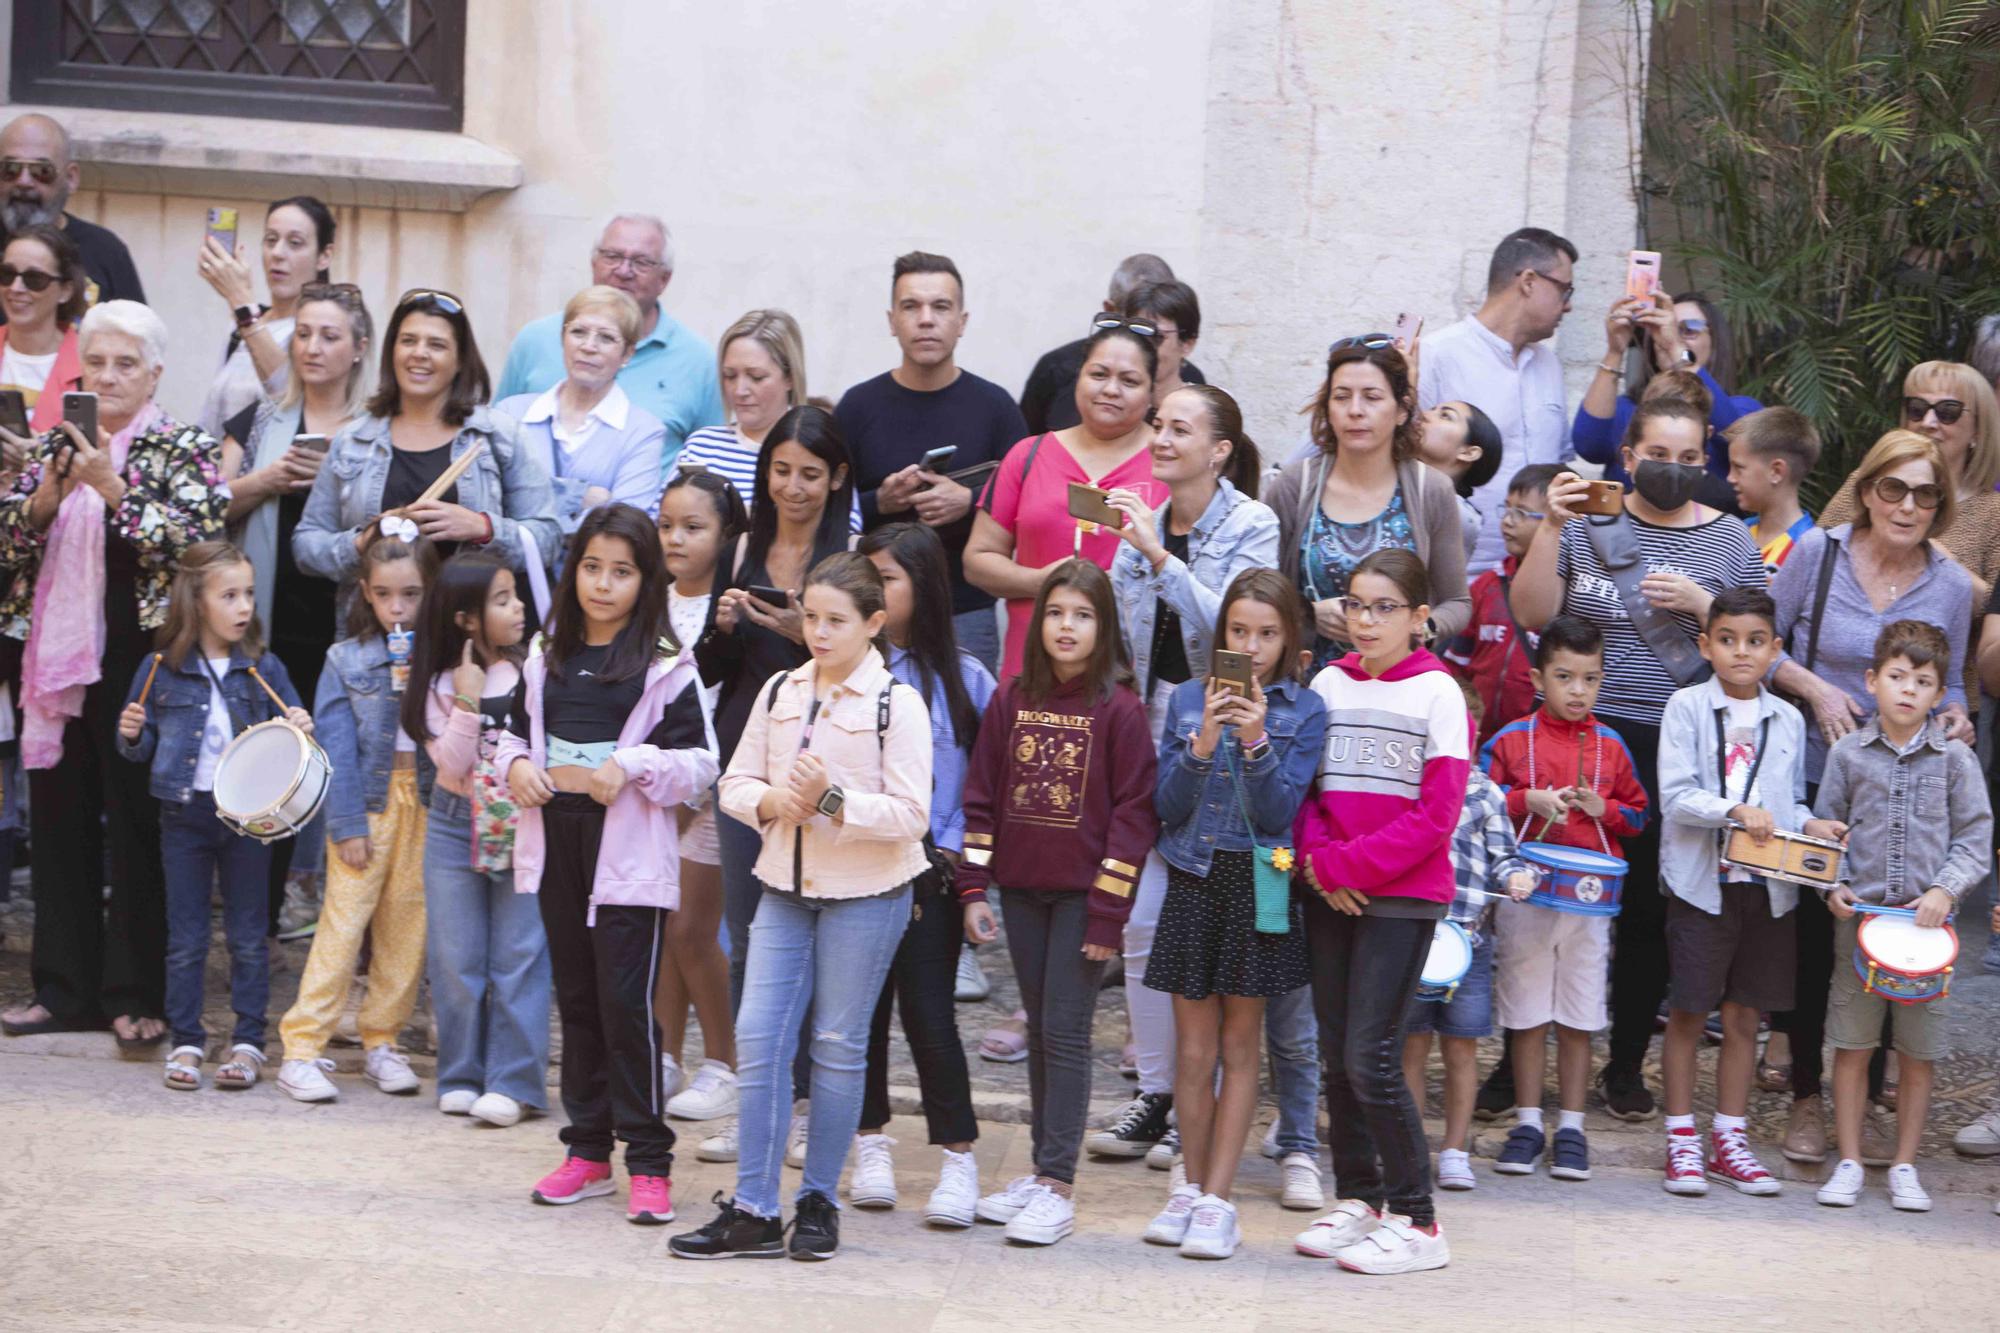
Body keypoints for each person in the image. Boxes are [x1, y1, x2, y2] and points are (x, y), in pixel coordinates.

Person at [1511, 397, 1767, 1121]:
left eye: (1691, 460)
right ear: (1628, 457)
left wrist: (1701, 602)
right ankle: (1520, 1062)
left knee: (1652, 911)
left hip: (1674, 743)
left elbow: (1750, 646)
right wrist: (1552, 525)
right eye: (1659, 454)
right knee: (1548, 896)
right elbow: (1532, 614)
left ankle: (1623, 1064)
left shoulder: (1730, 541)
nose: (1674, 470)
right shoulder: (1588, 522)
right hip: (1579, 735)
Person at [671, 553, 932, 1262]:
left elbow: (913, 814)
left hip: (868, 893)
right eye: (811, 616)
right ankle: (754, 1206)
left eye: (835, 620)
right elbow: (734, 780)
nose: (818, 632)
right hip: (784, 887)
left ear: (873, 623)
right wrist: (769, 801)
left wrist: (833, 802)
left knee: (839, 1048)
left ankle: (818, 1198)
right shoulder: (782, 687)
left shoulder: (897, 703)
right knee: (759, 1039)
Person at [0, 300, 227, 1044]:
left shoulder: (180, 444)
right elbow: (9, 547)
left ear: (155, 372)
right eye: (95, 362)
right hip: (54, 664)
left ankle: (134, 993)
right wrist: (45, 497)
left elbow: (199, 543)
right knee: (58, 820)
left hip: (145, 661)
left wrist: (113, 487)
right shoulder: (52, 444)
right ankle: (62, 990)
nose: (108, 375)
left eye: (125, 363)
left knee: (137, 825)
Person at [500, 504, 716, 1225]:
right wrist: (520, 765)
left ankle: (648, 1162)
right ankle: (588, 1153)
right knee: (579, 998)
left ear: (644, 580)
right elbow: (506, 737)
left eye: (621, 571)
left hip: (625, 856)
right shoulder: (545, 651)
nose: (602, 583)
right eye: (591, 566)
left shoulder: (664, 663)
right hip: (556, 840)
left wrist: (632, 764)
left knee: (628, 1006)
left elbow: (700, 763)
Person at [1768, 430, 1974, 1162]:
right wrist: (1818, 686)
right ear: (1868, 488)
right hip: (1814, 772)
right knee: (1809, 944)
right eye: (1894, 487)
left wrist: (1957, 715)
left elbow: (1949, 681)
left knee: (1893, 932)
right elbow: (1764, 640)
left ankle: (1878, 1091)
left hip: (1905, 793)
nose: (1907, 504)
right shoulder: (1818, 552)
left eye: (1925, 493)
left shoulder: (1949, 583)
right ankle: (1803, 1099)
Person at [1093, 385, 1275, 1161]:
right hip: (1151, 730)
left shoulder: (1252, 523)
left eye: (1178, 427)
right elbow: (1120, 629)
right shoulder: (1139, 513)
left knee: (1223, 926)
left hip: (1227, 733)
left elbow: (1232, 630)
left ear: (1221, 449)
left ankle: (1213, 1108)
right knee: (1137, 921)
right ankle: (1157, 1094)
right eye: (1157, 425)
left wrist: (1158, 557)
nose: (1159, 437)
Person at [958, 560, 1159, 1247]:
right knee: (1041, 1026)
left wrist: (1108, 913)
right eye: (1054, 613)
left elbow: (1134, 818)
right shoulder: (1011, 698)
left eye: (1081, 615)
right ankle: (1042, 1169)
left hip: (1082, 899)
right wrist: (973, 885)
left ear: (1104, 628)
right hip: (1020, 891)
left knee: (1066, 1033)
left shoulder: (1122, 710)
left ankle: (1058, 1183)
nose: (1065, 627)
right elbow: (981, 795)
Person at [1289, 549, 1466, 1275]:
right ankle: (1361, 1198)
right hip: (1331, 887)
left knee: (1373, 1053)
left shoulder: (1439, 693)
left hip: (1402, 896)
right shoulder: (1327, 681)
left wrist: (1345, 866)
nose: (1364, 620)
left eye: (1383, 607)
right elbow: (1305, 790)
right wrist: (1322, 865)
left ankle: (1418, 1219)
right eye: (1355, 604)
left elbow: (1436, 815)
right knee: (1338, 1052)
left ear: (1420, 618)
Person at [1140, 570, 1326, 1259]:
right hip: (1192, 873)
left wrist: (1253, 741)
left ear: (1290, 641)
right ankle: (1188, 1185)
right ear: (1221, 636)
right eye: (1239, 632)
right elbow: (1166, 805)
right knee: (1192, 1048)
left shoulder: (1303, 710)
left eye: (1267, 634)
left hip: (1260, 879)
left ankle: (1219, 1200)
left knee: (1242, 1042)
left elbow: (1280, 812)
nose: (1251, 646)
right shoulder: (1189, 698)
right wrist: (1199, 745)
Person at [1657, 588, 1843, 1197]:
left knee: (1744, 1016)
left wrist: (1809, 822)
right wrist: (1735, 810)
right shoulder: (1685, 708)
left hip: (1766, 891)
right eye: (1728, 639)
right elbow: (1677, 796)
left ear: (1775, 650)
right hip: (1701, 887)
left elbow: (1785, 801)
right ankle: (1681, 1138)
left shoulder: (1786, 718)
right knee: (1689, 1012)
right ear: (1706, 645)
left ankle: (1728, 1140)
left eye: (1756, 641)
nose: (1741, 652)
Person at [114, 542, 311, 1091]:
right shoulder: (160, 668)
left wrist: (299, 722)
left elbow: (291, 734)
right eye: (229, 595)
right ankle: (187, 1041)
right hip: (184, 814)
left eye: (248, 593)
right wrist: (131, 734)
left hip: (247, 818)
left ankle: (248, 1040)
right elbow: (139, 745)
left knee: (250, 935)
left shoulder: (263, 666)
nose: (244, 605)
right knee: (187, 937)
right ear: (197, 602)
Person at [1813, 620, 1992, 1211]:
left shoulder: (1956, 763)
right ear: (1872, 681)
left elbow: (1975, 836)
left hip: (1925, 932)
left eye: (1923, 681)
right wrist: (1831, 886)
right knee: (1852, 1044)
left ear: (1941, 693)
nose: (1908, 690)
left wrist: (1946, 889)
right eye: (1896, 677)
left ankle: (1906, 1165)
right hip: (1859, 927)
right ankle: (1848, 1160)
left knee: (1919, 1051)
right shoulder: (1847, 753)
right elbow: (1826, 833)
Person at [850, 523, 996, 1226]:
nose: (875, 591)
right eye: (867, 576)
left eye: (889, 578)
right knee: (860, 1016)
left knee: (929, 1015)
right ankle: (870, 1141)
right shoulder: (845, 672)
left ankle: (958, 1156)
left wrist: (973, 880)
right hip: (854, 867)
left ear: (925, 587)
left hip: (929, 875)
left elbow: (984, 789)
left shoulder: (966, 679)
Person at [695, 406, 859, 1025]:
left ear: (837, 478)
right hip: (746, 756)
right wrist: (725, 630)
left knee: (814, 932)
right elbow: (710, 670)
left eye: (810, 474)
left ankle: (806, 1093)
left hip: (821, 763)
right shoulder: (740, 550)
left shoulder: (850, 559)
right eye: (781, 470)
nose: (793, 487)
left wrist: (804, 633)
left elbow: (866, 671)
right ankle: (755, 1091)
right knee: (746, 932)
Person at [220, 281, 373, 939]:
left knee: (347, 777)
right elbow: (211, 509)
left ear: (359, 347)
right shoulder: (263, 419)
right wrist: (267, 480)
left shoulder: (376, 431)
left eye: (329, 334)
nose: (312, 346)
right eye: (304, 333)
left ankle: (345, 931)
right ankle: (257, 923)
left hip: (345, 625)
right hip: (267, 622)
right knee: (270, 768)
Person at [1482, 616, 1647, 1183]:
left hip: (1589, 900)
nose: (1578, 691)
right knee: (1526, 1013)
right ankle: (1528, 1123)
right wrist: (1525, 797)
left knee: (1579, 1015)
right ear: (1537, 678)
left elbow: (1640, 815)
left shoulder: (1612, 746)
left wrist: (1608, 812)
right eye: (1564, 677)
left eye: (1590, 679)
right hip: (1525, 892)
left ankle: (1571, 1127)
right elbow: (1477, 795)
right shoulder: (1509, 740)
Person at [274, 535, 434, 1103]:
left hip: (426, 802)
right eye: (386, 594)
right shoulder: (344, 660)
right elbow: (336, 748)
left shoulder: (443, 656)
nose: (398, 607)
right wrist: (346, 824)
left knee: (406, 926)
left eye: (412, 594)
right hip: (367, 803)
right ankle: (301, 1046)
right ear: (365, 593)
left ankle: (381, 1039)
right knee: (343, 924)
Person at [294, 288, 559, 617]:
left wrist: (482, 527)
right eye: (408, 341)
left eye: (437, 345)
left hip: (470, 633)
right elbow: (306, 544)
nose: (419, 354)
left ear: (460, 359)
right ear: (392, 350)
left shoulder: (498, 437)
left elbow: (548, 538)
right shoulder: (353, 441)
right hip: (379, 642)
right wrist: (362, 543)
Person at [407, 552, 551, 1127]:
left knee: (519, 955)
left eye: (516, 595)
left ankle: (515, 1083)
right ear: (466, 619)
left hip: (522, 821)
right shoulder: (438, 682)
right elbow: (451, 762)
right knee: (456, 957)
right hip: (453, 820)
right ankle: (461, 1075)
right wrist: (467, 698)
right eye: (501, 600)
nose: (518, 608)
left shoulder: (538, 669)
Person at [837, 251, 1028, 674]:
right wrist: (878, 504)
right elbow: (827, 509)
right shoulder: (857, 407)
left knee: (962, 732)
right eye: (911, 307)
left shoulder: (995, 407)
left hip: (968, 611)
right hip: (873, 612)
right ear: (892, 321)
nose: (926, 319)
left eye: (940, 307)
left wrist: (970, 500)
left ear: (962, 321)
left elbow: (1029, 502)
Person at [965, 324, 1166, 678]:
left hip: (1125, 673)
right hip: (1033, 671)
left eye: (1130, 381)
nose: (1110, 390)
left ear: (1152, 393)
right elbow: (978, 561)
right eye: (1098, 374)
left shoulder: (1169, 464)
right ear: (1079, 378)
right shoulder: (1027, 455)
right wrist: (1043, 582)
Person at [1264, 342, 1471, 672]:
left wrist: (1418, 628)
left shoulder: (1430, 489)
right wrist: (1308, 614)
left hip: (1395, 687)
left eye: (1372, 397)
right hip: (1305, 693)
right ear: (1327, 408)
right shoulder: (1294, 485)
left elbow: (1457, 603)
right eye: (1342, 397)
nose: (1355, 410)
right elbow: (1260, 593)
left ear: (1402, 409)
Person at [1404, 707, 1532, 1193]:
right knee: (1411, 1045)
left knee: (1461, 1048)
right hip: (1415, 935)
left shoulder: (1484, 792)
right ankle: (1411, 1145)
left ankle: (1455, 1149)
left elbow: (1505, 857)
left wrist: (1519, 876)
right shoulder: (1409, 785)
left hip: (1468, 941)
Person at [652, 469, 746, 1122]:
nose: (676, 539)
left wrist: (690, 790)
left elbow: (717, 704)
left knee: (691, 926)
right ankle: (662, 1053)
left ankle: (725, 1061)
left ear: (727, 532)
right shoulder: (649, 600)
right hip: (652, 786)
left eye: (693, 527)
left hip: (708, 789)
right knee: (660, 925)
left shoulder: (730, 610)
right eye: (666, 526)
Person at [494, 214, 723, 464]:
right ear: (594, 263)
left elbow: (707, 467)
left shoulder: (698, 360)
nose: (624, 271)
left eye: (641, 262)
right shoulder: (535, 339)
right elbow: (495, 436)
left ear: (664, 279)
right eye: (612, 257)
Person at [1416, 226, 1576, 572]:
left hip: (1537, 577)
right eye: (1565, 290)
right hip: (1456, 575)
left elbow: (1559, 461)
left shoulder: (1549, 364)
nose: (1570, 305)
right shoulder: (1436, 355)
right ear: (1529, 281)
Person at [498, 285, 669, 557]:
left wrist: (528, 511)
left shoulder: (644, 432)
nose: (589, 346)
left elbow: (623, 531)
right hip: (510, 586)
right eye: (578, 332)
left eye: (606, 338)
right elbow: (492, 505)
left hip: (590, 590)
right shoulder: (510, 414)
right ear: (563, 337)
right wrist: (579, 497)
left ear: (627, 354)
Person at [1817, 361, 2000, 596]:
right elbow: (1816, 556)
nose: (1928, 422)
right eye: (1917, 408)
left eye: (1947, 412)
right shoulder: (1869, 481)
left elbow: (1995, 613)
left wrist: (1942, 563)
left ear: (1977, 429)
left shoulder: (1993, 513)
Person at [679, 309, 860, 536]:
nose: (740, 390)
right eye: (729, 375)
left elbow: (846, 535)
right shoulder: (701, 445)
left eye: (756, 377)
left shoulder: (819, 444)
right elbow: (661, 522)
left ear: (790, 377)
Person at [1572, 291, 1761, 485]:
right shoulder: (1627, 407)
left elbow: (1739, 440)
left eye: (1688, 329)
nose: (1667, 336)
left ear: (1714, 343)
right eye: (1660, 328)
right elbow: (1589, 447)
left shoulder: (1743, 408)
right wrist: (1615, 351)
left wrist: (1678, 350)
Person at [195, 196, 336, 435]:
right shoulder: (240, 325)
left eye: (295, 243)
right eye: (271, 240)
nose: (278, 253)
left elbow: (285, 393)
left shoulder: (324, 330)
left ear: (324, 256)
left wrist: (240, 299)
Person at [1018, 255, 1206, 434]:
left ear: (1186, 344)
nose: (1112, 390)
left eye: (1155, 336)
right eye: (1099, 375)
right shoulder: (1059, 368)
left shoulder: (1195, 393)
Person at [1443, 463, 1559, 746]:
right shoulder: (1486, 586)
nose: (1507, 521)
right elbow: (1456, 664)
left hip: (1535, 742)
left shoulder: (1563, 594)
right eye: (1507, 509)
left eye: (1521, 513)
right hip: (1478, 736)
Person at [0, 113, 144, 307]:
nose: (24, 181)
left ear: (70, 178)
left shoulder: (106, 251)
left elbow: (137, 334)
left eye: (42, 171)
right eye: (11, 169)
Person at [0, 224, 87, 434]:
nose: (16, 288)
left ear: (65, 291)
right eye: (7, 274)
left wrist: (33, 457)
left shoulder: (91, 362)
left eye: (34, 279)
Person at [1725, 407, 1820, 576]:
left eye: (1738, 468)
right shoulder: (1737, 533)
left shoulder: (1809, 551)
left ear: (1776, 471)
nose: (1730, 478)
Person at [1413, 399, 1503, 559]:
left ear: (1468, 453)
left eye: (1446, 416)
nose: (1425, 415)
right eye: (1431, 410)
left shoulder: (1458, 515)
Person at [1122, 280, 1203, 410]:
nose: (1144, 346)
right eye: (1136, 334)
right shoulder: (1112, 400)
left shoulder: (1205, 410)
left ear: (1187, 344)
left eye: (1156, 337)